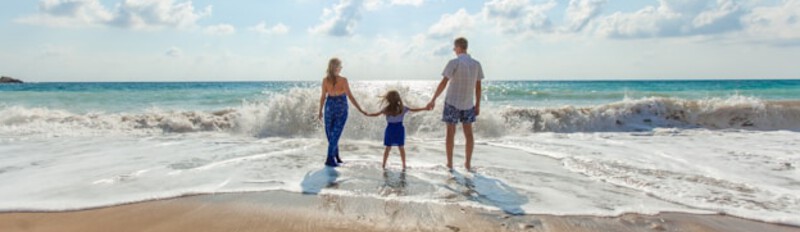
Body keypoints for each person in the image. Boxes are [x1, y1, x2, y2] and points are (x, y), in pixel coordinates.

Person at [426, 37, 484, 170]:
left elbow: (443, 83)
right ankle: (468, 164)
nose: (453, 50)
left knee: (450, 133)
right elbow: (478, 87)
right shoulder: (476, 64)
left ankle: (450, 164)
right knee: (469, 134)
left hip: (452, 102)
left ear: (458, 47)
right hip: (469, 103)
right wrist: (478, 104)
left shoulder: (454, 62)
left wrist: (433, 99)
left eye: (454, 47)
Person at [318, 58, 365, 167]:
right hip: (337, 107)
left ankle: (333, 157)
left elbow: (323, 97)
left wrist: (360, 109)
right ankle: (332, 158)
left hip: (332, 106)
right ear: (336, 67)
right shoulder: (336, 80)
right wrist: (319, 111)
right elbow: (350, 96)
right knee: (332, 135)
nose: (341, 68)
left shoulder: (335, 80)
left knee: (333, 134)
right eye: (340, 66)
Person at [364, 90, 429, 170]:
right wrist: (425, 108)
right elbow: (414, 110)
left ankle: (384, 165)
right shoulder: (402, 108)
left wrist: (367, 114)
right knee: (401, 147)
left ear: (388, 99)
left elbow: (376, 114)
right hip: (399, 129)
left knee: (388, 148)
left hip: (390, 129)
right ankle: (404, 165)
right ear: (398, 98)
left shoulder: (387, 109)